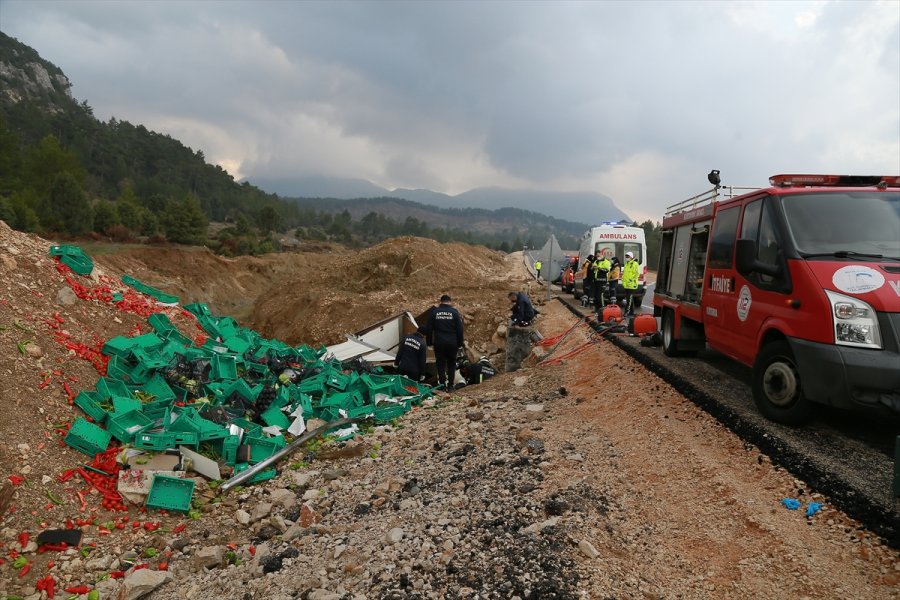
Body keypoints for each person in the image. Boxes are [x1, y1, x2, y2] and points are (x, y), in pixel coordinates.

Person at [426, 294, 464, 389]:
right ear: (450, 302)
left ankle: (442, 385)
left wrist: (429, 343)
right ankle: (450, 386)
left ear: (441, 302)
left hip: (439, 343)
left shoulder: (434, 312)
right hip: (452, 343)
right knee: (451, 364)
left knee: (440, 364)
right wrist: (460, 343)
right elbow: (460, 329)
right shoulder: (454, 312)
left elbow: (429, 329)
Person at [622, 251, 640, 315]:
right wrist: (623, 280)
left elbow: (637, 274)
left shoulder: (635, 264)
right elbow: (625, 274)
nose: (627, 257)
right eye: (626, 256)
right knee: (629, 298)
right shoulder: (626, 264)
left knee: (629, 299)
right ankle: (631, 311)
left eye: (628, 256)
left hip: (631, 284)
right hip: (626, 284)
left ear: (631, 257)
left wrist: (630, 280)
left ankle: (627, 311)